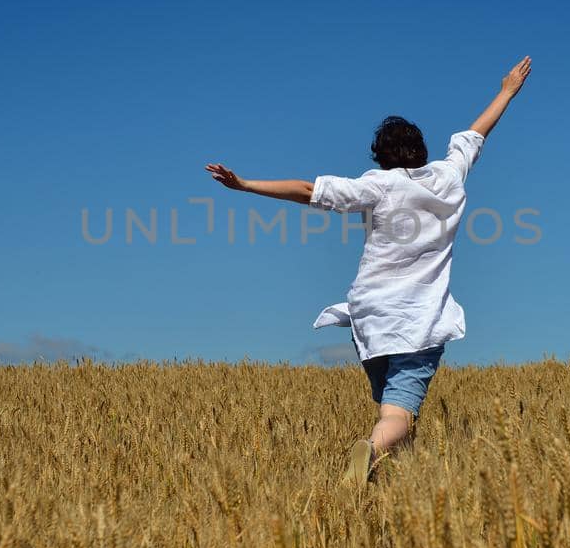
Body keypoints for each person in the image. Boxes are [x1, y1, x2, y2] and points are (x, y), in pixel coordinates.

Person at [205, 56, 533, 484]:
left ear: (380, 158)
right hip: (420, 320)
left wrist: (245, 185)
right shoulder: (450, 177)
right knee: (398, 414)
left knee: (394, 413)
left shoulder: (378, 185)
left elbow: (309, 191)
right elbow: (475, 133)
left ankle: (396, 483)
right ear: (422, 151)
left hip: (372, 320)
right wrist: (507, 89)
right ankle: (371, 451)